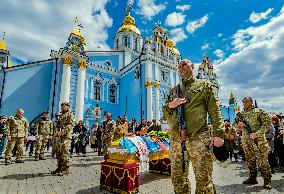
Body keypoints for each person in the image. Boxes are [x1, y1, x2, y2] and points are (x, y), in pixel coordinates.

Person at [162, 59, 224, 194]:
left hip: (199, 137)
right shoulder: (174, 90)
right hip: (176, 139)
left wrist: (219, 133)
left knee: (203, 178)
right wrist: (170, 105)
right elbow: (165, 112)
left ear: (192, 66)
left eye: (184, 64)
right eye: (179, 66)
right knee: (178, 178)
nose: (181, 68)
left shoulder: (204, 85)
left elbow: (214, 109)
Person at [234, 97, 272, 189]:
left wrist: (257, 133)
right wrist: (238, 124)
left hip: (258, 141)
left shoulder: (259, 111)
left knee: (262, 161)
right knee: (250, 160)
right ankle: (252, 177)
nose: (244, 103)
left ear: (251, 102)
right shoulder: (240, 114)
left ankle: (267, 181)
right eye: (243, 102)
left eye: (246, 102)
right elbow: (234, 125)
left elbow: (267, 123)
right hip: (246, 141)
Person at [51, 102, 75, 176]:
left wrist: (62, 132)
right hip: (59, 136)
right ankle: (59, 167)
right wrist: (56, 132)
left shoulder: (70, 114)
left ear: (68, 107)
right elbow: (57, 125)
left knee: (64, 151)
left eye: (64, 106)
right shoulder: (60, 115)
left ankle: (65, 169)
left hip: (66, 136)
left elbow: (70, 124)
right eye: (61, 106)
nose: (62, 107)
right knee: (59, 152)